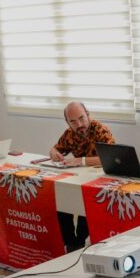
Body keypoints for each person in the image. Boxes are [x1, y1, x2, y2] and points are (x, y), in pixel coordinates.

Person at [52, 102, 115, 250]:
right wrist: (54, 154)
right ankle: (70, 242)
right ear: (68, 122)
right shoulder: (70, 134)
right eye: (73, 121)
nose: (79, 124)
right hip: (78, 179)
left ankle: (80, 239)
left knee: (85, 203)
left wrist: (81, 160)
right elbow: (55, 148)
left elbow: (110, 158)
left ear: (88, 114)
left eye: (81, 118)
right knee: (59, 196)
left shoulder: (101, 130)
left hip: (99, 182)